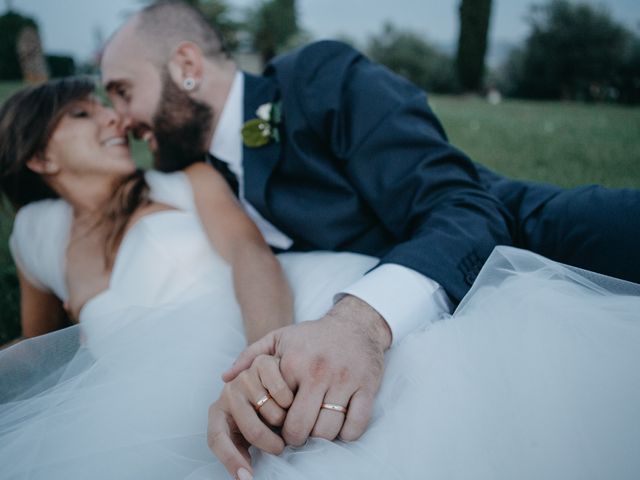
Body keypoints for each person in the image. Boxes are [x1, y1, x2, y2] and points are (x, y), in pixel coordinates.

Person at [1, 79, 640, 480]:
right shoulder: (34, 235)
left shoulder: (184, 181)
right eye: (85, 115)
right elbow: (39, 353)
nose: (113, 120)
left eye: (106, 105)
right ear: (39, 155)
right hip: (144, 397)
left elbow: (252, 258)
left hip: (271, 324)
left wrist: (267, 361)